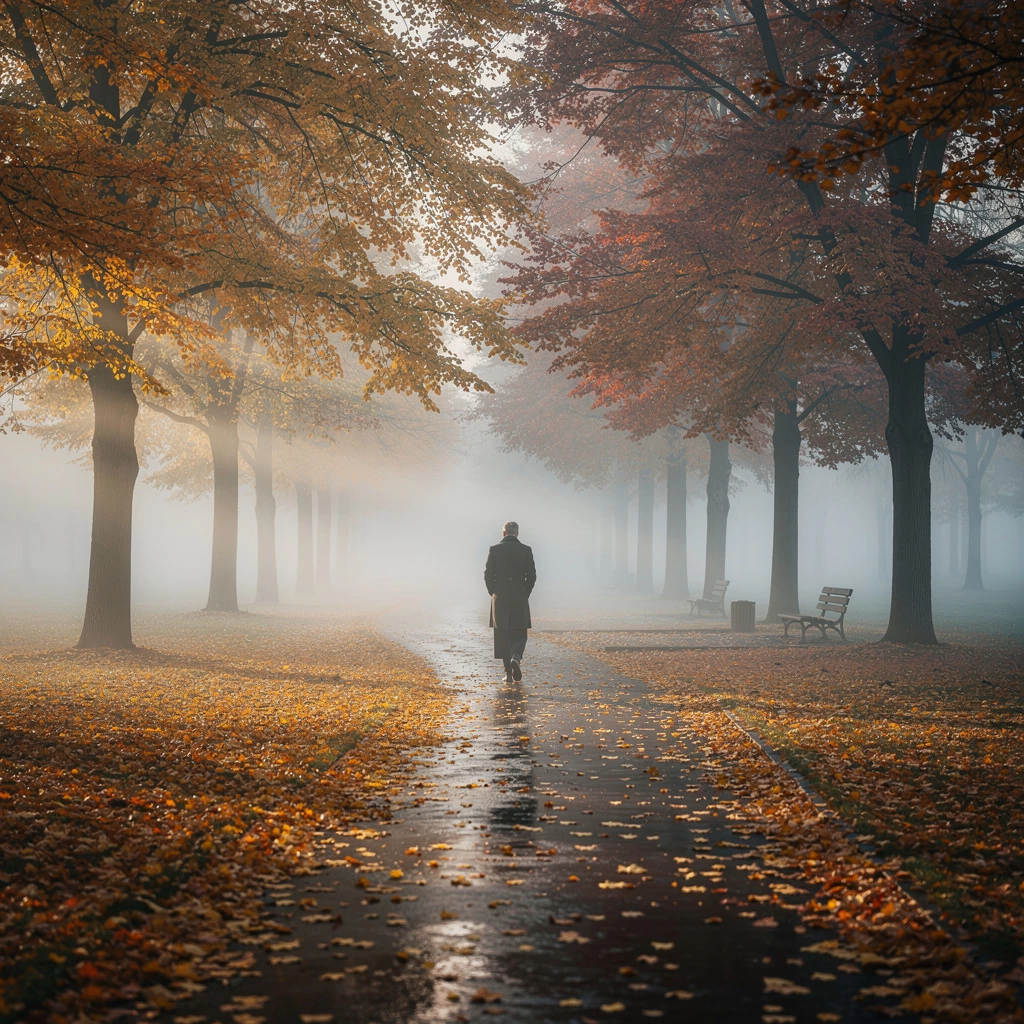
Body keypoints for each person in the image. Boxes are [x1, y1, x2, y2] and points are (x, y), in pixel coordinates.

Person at [484, 521, 536, 682]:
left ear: (504, 533)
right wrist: (524, 591)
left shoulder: (494, 550)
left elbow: (488, 574)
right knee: (520, 632)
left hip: (500, 596)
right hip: (519, 594)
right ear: (517, 533)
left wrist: (493, 591)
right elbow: (532, 576)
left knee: (502, 634)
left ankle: (508, 674)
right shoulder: (526, 550)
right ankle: (516, 656)